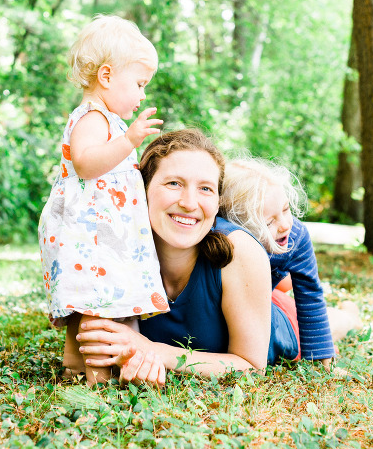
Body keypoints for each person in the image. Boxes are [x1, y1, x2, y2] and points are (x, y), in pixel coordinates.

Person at [75, 129, 304, 385]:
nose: (189, 202)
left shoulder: (241, 252)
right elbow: (103, 344)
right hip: (248, 296)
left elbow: (251, 367)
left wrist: (153, 351)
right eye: (174, 183)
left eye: (205, 188)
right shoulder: (114, 246)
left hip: (277, 320)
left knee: (337, 321)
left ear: (217, 203)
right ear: (142, 189)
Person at [37, 15, 170, 385]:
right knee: (97, 303)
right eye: (139, 84)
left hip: (101, 233)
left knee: (93, 300)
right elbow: (85, 163)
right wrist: (129, 142)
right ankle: (97, 378)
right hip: (90, 235)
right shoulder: (93, 118)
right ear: (107, 77)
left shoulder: (107, 120)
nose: (143, 94)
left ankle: (74, 367)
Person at [220, 157, 362, 369]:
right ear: (237, 225)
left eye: (286, 210)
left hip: (268, 303)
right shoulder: (221, 239)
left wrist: (321, 358)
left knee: (305, 325)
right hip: (249, 298)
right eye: (269, 221)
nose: (285, 225)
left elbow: (310, 294)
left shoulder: (295, 235)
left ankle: (350, 316)